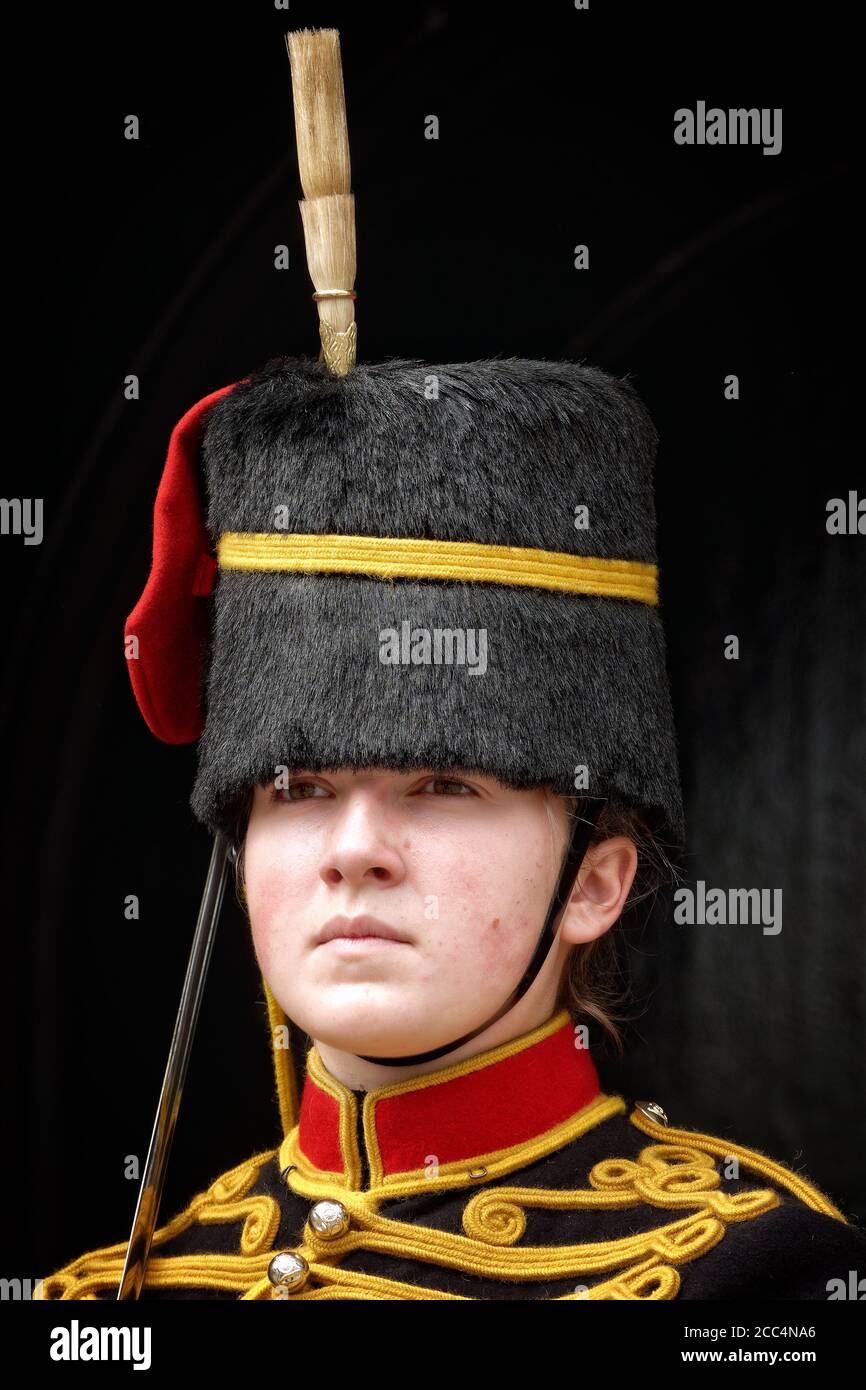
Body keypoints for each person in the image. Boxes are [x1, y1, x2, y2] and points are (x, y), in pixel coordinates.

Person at [35, 27, 866, 1302]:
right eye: (296, 785)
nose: (349, 847)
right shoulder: (115, 1300)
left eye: (442, 785)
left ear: (595, 880)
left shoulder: (754, 1279)